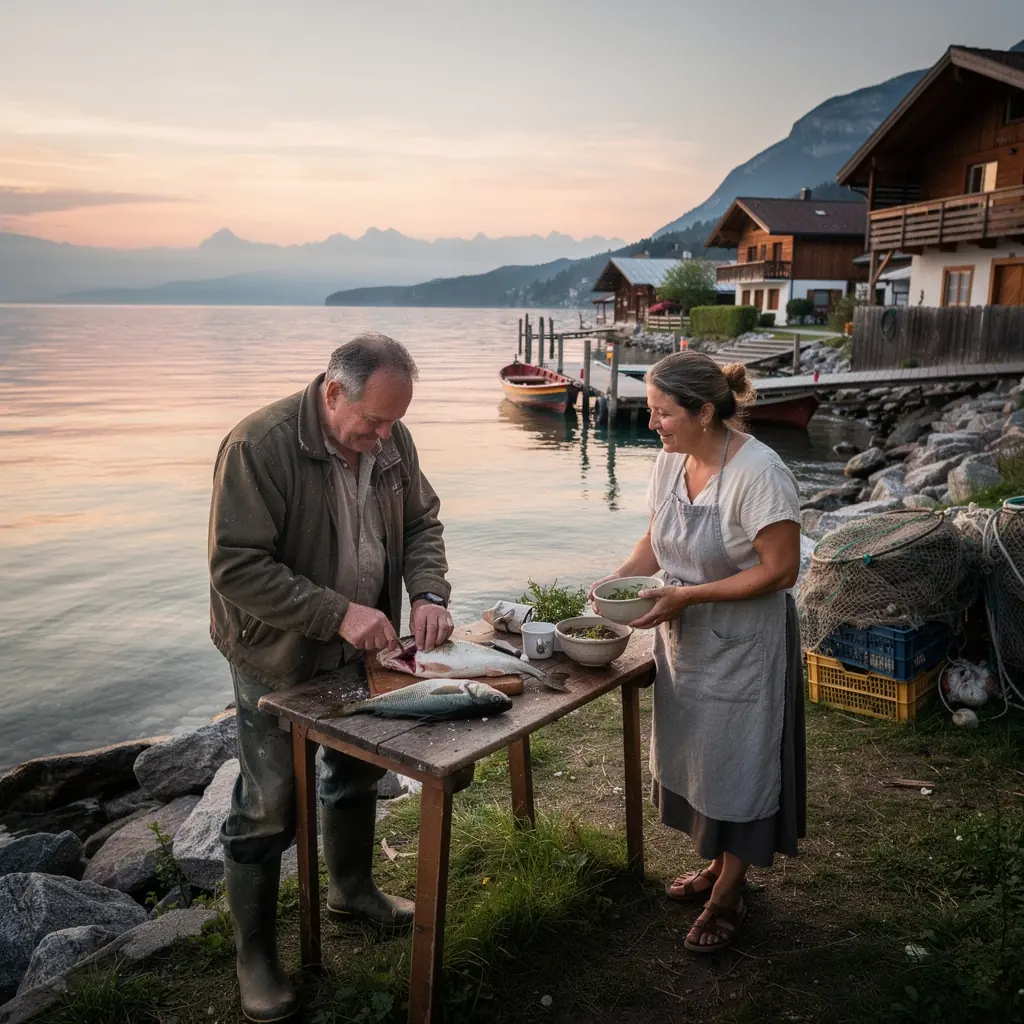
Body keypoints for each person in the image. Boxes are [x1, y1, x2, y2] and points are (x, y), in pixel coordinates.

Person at [208, 334, 453, 1021]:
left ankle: (352, 890)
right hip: (276, 656)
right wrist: (337, 612)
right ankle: (254, 956)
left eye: (392, 423)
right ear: (333, 390)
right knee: (269, 806)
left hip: (362, 650)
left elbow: (422, 523)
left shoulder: (390, 437)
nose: (381, 438)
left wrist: (428, 592)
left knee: (356, 773)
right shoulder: (259, 445)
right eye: (372, 422)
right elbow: (236, 567)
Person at [590, 351, 805, 955]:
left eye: (662, 412)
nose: (652, 421)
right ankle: (715, 865)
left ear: (704, 411)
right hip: (685, 643)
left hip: (746, 648)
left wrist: (688, 596)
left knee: (741, 762)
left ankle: (729, 893)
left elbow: (781, 569)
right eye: (651, 410)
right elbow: (654, 538)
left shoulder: (759, 473)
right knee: (700, 760)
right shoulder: (671, 461)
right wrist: (617, 580)